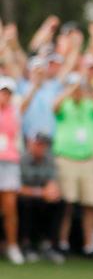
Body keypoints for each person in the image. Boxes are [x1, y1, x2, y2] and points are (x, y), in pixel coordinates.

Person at [51, 74, 93, 256]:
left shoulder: (90, 104)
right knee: (67, 204)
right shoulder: (64, 103)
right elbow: (54, 107)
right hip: (67, 158)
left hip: (88, 159)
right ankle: (63, 243)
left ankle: (89, 245)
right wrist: (70, 89)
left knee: (90, 204)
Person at [18, 133, 63, 263]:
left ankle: (48, 245)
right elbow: (18, 189)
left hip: (42, 197)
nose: (41, 148)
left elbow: (52, 186)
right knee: (26, 204)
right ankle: (26, 245)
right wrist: (41, 192)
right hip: (26, 198)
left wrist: (48, 192)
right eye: (38, 144)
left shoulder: (49, 159)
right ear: (30, 144)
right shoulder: (22, 159)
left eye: (44, 145)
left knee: (58, 203)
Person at [1, 76, 31, 264]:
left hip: (10, 163)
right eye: (2, 92)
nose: (4, 96)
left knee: (10, 207)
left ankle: (12, 246)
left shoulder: (15, 112)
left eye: (8, 93)